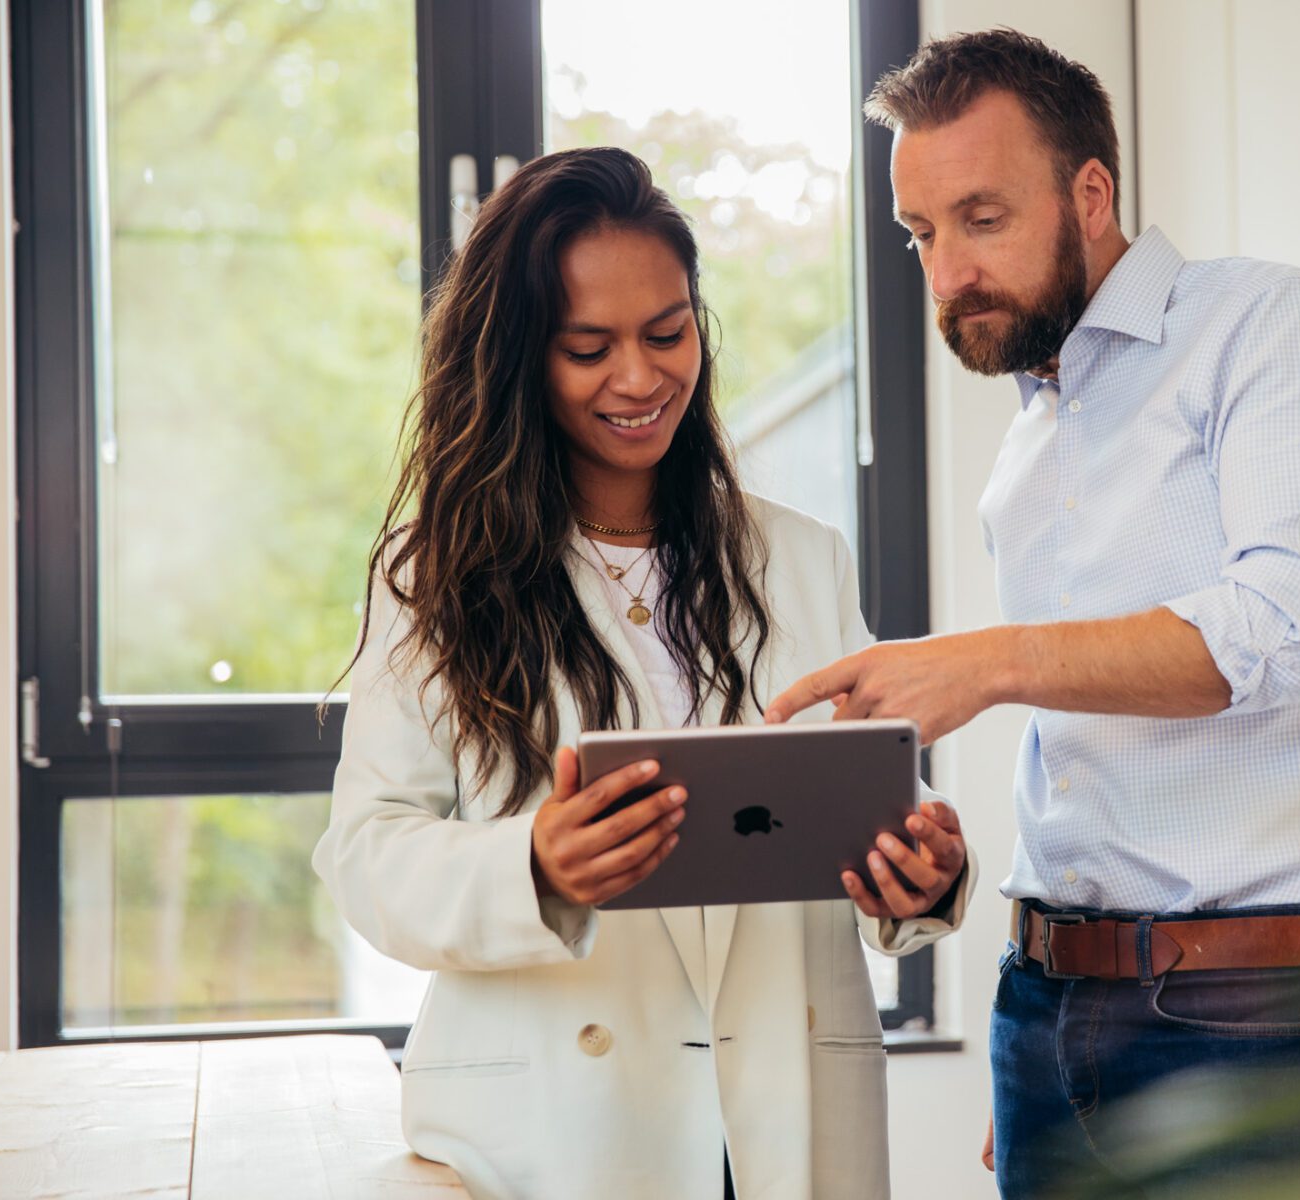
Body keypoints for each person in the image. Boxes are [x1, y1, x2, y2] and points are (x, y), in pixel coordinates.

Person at [763, 29, 1300, 1198]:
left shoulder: (1268, 328)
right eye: (919, 234)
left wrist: (984, 664)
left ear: (1089, 193)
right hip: (1053, 1007)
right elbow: (1083, 742)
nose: (946, 270)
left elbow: (1285, 629)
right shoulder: (1032, 432)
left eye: (980, 219)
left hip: (1245, 1017)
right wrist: (1056, 1046)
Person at [313, 146, 975, 1200]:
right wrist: (532, 863)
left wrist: (920, 868)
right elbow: (367, 853)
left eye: (667, 333)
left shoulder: (798, 557)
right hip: (554, 1135)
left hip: (779, 1116)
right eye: (589, 347)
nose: (640, 377)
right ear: (519, 358)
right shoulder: (433, 579)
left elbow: (840, 788)